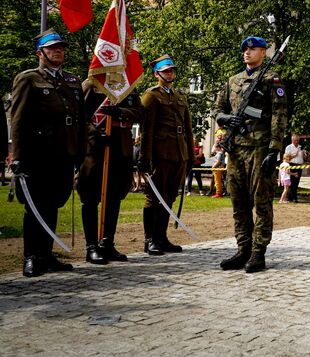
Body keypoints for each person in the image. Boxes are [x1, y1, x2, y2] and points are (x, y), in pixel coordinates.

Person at [10, 29, 86, 277]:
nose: (58, 51)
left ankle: (47, 254)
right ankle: (32, 256)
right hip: (38, 155)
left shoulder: (72, 82)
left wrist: (80, 152)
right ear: (40, 53)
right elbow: (18, 120)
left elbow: (80, 120)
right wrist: (17, 156)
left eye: (61, 48)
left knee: (54, 204)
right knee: (35, 206)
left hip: (64, 154)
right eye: (52, 48)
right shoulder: (29, 79)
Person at [213, 36, 288, 273]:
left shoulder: (271, 79)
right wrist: (226, 119)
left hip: (259, 148)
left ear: (264, 52)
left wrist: (274, 149)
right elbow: (217, 109)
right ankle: (242, 248)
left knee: (261, 201)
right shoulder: (233, 80)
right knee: (239, 201)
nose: (247, 52)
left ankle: (258, 252)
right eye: (245, 48)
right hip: (236, 148)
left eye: (253, 48)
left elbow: (279, 115)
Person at [77, 83, 144, 264]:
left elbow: (140, 113)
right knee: (90, 198)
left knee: (114, 199)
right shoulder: (92, 84)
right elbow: (78, 116)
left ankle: (107, 243)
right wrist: (94, 134)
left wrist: (120, 112)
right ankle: (91, 246)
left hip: (121, 150)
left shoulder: (128, 87)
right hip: (95, 151)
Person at [138, 55, 194, 255]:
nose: (170, 74)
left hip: (179, 154)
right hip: (160, 155)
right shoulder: (151, 96)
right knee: (154, 197)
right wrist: (144, 157)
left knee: (169, 196)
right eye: (166, 71)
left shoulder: (180, 96)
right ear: (157, 74)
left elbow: (188, 128)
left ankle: (161, 238)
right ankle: (149, 239)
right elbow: (147, 129)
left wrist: (190, 155)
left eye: (172, 70)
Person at [284, 133, 306, 203]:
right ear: (292, 140)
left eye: (298, 140)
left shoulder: (301, 147)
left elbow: (305, 158)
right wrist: (294, 155)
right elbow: (286, 158)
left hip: (299, 166)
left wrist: (303, 154)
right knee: (292, 182)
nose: (297, 141)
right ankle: (293, 197)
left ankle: (292, 197)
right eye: (296, 140)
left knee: (296, 182)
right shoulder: (288, 147)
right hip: (291, 165)